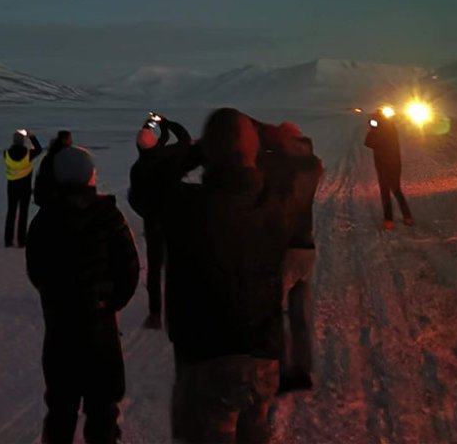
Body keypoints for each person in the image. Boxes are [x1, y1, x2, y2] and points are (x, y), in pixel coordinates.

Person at [129, 107, 289, 444]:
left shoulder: (187, 208)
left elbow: (145, 187)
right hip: (264, 354)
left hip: (207, 358)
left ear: (209, 155)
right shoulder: (272, 206)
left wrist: (194, 152)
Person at [26, 145, 139, 444]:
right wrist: (109, 303)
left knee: (61, 410)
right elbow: (129, 270)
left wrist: (56, 301)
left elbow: (36, 271)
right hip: (99, 332)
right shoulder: (108, 216)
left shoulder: (43, 221)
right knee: (102, 411)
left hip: (60, 331)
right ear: (90, 176)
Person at [256, 121, 323, 393]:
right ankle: (303, 370)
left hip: (284, 249)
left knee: (276, 313)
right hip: (306, 248)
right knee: (300, 315)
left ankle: (283, 372)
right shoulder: (312, 166)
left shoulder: (279, 167)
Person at [128, 113, 191, 329]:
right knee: (176, 263)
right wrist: (166, 122)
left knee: (155, 268)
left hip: (152, 220)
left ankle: (155, 314)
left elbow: (134, 198)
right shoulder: (166, 156)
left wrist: (150, 124)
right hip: (174, 217)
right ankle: (181, 309)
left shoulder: (137, 169)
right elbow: (183, 139)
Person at [364, 110, 412, 230]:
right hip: (394, 163)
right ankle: (406, 217)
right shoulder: (391, 127)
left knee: (386, 191)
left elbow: (368, 142)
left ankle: (389, 219)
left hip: (384, 164)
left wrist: (372, 129)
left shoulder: (381, 130)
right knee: (396, 190)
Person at [3, 129, 42, 247]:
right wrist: (31, 136)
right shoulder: (28, 153)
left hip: (12, 186)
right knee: (23, 213)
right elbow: (39, 149)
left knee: (11, 212)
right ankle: (21, 240)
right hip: (25, 186)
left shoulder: (6, 153)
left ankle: (8, 240)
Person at [34, 129, 73, 207]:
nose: (71, 141)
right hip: (53, 193)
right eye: (70, 139)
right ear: (65, 140)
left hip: (44, 191)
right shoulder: (63, 154)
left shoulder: (51, 154)